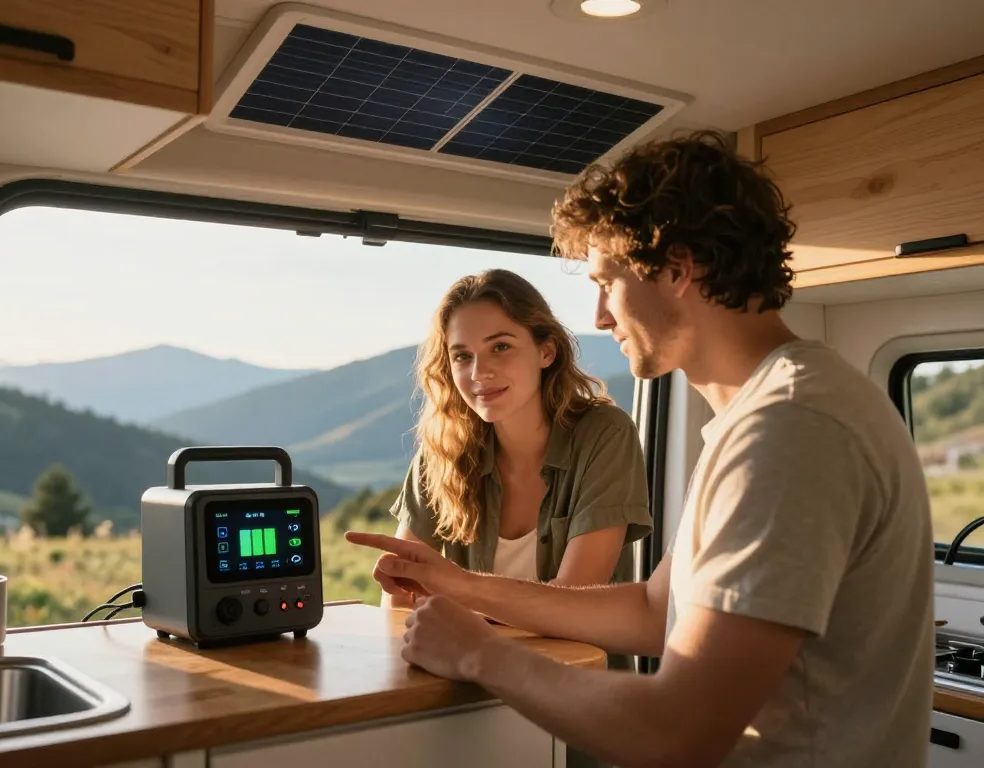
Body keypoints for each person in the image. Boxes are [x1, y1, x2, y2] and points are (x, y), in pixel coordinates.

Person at [347, 130, 936, 768]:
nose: (600, 316)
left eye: (608, 282)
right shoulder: (765, 415)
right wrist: (460, 585)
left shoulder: (790, 428)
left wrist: (478, 653)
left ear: (677, 269)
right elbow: (656, 611)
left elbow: (680, 732)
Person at [385, 269, 652, 640]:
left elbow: (573, 603)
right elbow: (399, 602)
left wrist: (456, 602)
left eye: (500, 347)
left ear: (546, 351)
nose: (479, 372)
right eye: (462, 356)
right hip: (461, 683)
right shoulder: (442, 453)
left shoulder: (604, 434)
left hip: (573, 684)